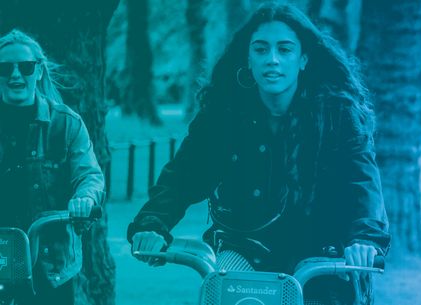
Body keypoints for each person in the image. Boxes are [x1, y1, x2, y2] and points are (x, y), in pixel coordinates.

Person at [126, 3, 389, 304]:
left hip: (322, 252)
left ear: (303, 58)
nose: (272, 60)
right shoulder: (223, 115)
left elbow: (362, 182)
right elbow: (183, 175)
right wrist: (152, 223)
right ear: (248, 58)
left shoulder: (337, 115)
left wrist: (365, 241)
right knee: (224, 291)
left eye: (285, 50)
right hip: (245, 247)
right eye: (261, 49)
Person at [0, 30, 104, 304]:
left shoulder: (65, 123)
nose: (15, 75)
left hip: (50, 263)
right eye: (4, 68)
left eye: (25, 66)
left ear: (39, 71)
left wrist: (84, 198)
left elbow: (89, 174)